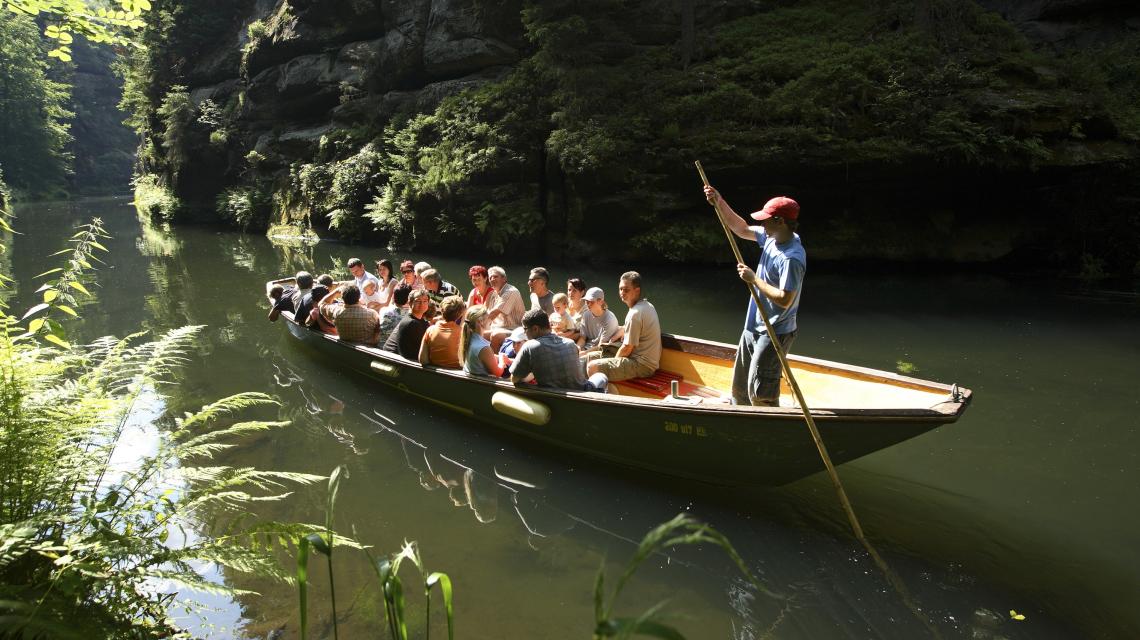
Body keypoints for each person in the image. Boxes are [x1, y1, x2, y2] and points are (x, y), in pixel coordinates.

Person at [704, 186, 806, 407]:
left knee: (761, 392)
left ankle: (768, 427)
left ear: (780, 221)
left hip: (775, 330)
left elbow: (785, 298)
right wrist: (718, 201)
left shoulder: (792, 258)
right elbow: (740, 228)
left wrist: (754, 279)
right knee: (740, 386)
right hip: (755, 323)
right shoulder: (771, 237)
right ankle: (739, 415)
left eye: (766, 220)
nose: (762, 224)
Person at [587, 272, 660, 381]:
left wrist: (613, 362)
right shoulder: (647, 305)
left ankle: (597, 395)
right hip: (640, 358)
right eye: (620, 289)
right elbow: (630, 328)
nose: (622, 292)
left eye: (626, 290)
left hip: (643, 365)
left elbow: (627, 348)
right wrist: (619, 332)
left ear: (637, 290)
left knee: (592, 366)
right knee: (591, 356)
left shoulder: (635, 313)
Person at [510, 310, 608, 392]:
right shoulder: (571, 344)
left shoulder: (529, 346)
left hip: (553, 399)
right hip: (581, 393)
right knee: (601, 376)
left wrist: (531, 372)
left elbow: (514, 379)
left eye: (525, 329)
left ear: (535, 328)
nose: (524, 332)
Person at [484, 266, 526, 350]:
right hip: (498, 328)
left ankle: (494, 362)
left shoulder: (511, 292)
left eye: (495, 276)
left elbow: (493, 313)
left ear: (504, 279)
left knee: (496, 335)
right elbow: (486, 313)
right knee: (482, 334)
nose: (492, 279)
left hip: (514, 329)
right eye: (490, 277)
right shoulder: (493, 294)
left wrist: (476, 325)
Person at [419, 295, 466, 369]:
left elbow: (423, 360)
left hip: (433, 374)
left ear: (441, 311)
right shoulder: (463, 333)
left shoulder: (430, 330)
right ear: (460, 315)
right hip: (456, 375)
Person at [383, 289, 431, 360]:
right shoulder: (411, 322)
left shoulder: (421, 321)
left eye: (425, 301)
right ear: (410, 303)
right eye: (418, 301)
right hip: (393, 359)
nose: (422, 304)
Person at [459, 305, 506, 377]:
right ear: (481, 321)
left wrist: (498, 357)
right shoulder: (484, 348)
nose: (491, 320)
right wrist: (502, 360)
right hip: (482, 384)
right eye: (488, 318)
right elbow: (498, 372)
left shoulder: (468, 339)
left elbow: (484, 356)